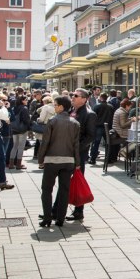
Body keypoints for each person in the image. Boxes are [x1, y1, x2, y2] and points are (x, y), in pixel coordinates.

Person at [38, 96, 80, 228]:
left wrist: (40, 159)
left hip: (52, 160)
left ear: (61, 107)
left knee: (46, 189)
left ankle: (47, 217)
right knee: (64, 190)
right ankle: (60, 218)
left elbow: (45, 142)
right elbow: (76, 145)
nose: (54, 107)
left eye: (55, 105)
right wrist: (77, 162)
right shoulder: (75, 123)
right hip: (68, 161)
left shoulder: (52, 121)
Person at [67, 88, 96, 222]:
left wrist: (77, 149)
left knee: (77, 180)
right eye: (72, 95)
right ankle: (58, 208)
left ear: (84, 99)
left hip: (78, 154)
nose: (72, 97)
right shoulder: (71, 111)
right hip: (66, 151)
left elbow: (90, 136)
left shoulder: (89, 114)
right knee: (65, 181)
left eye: (76, 95)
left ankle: (79, 210)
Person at [89, 92, 114, 165]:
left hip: (98, 127)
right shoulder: (111, 107)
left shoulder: (97, 106)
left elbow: (93, 116)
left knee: (96, 143)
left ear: (101, 98)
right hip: (107, 127)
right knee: (108, 144)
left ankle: (93, 159)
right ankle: (108, 159)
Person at [8, 95, 31, 170]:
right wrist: (29, 126)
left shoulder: (14, 108)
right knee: (21, 147)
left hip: (14, 129)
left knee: (14, 146)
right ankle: (18, 164)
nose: (27, 101)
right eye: (26, 100)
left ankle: (11, 164)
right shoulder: (24, 108)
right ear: (22, 100)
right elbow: (26, 120)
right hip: (22, 129)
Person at [35, 96, 56, 169]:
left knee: (42, 146)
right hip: (52, 129)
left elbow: (41, 119)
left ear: (45, 102)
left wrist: (38, 120)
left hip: (44, 128)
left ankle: (42, 163)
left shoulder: (45, 107)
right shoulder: (56, 107)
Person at [109, 98, 132, 163]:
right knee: (135, 139)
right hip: (121, 133)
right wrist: (131, 121)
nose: (130, 108)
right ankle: (124, 151)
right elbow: (123, 125)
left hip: (117, 132)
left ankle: (123, 151)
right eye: (130, 106)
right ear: (127, 105)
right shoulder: (122, 112)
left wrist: (129, 119)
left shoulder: (119, 110)